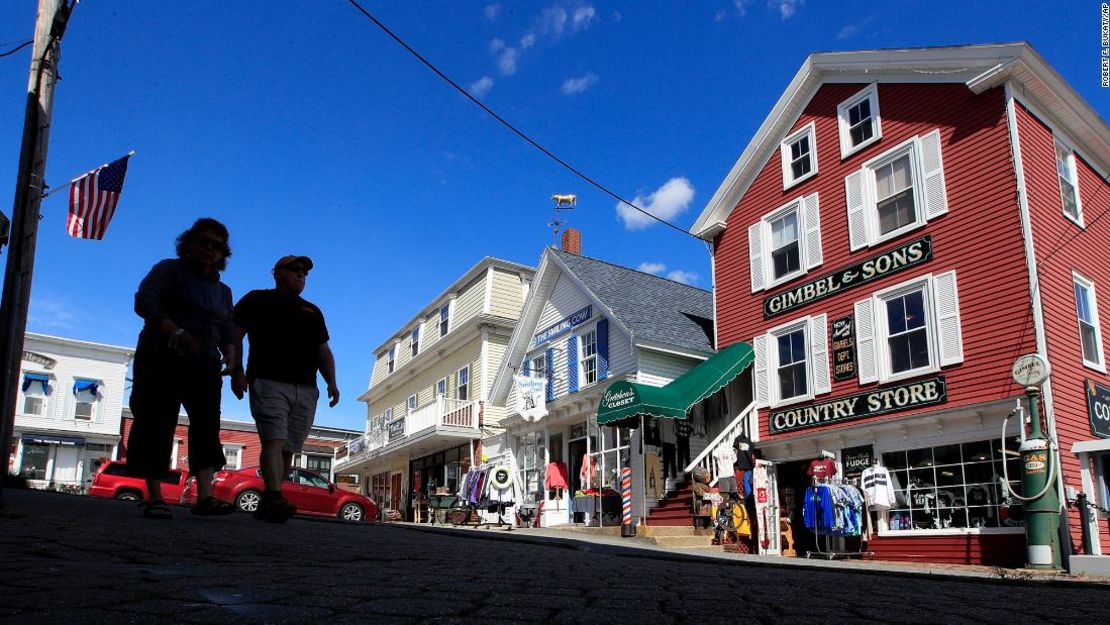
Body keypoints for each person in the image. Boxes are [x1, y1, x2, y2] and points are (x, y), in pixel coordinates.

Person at [127, 218, 238, 519]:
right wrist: (173, 330)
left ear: (223, 253)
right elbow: (144, 302)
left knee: (206, 425)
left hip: (204, 362)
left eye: (217, 245)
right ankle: (155, 496)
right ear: (189, 243)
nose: (209, 249)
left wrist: (230, 348)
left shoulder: (223, 291)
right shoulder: (168, 270)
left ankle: (205, 496)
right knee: (156, 421)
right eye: (203, 241)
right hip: (162, 355)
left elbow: (228, 325)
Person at [232, 255, 339, 522]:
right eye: (294, 270)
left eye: (304, 272)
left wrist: (332, 383)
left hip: (305, 388)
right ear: (276, 273)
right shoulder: (257, 299)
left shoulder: (312, 311)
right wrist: (237, 370)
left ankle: (271, 498)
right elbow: (235, 332)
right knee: (273, 440)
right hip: (268, 382)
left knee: (288, 447)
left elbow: (323, 350)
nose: (300, 275)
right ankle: (276, 496)